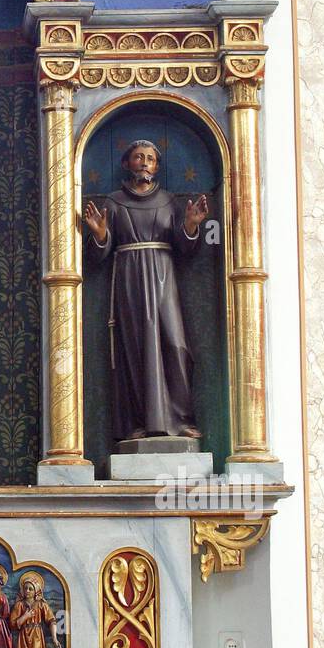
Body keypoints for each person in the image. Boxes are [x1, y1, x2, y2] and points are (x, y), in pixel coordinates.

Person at [84, 139, 208, 442]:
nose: (144, 163)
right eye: (138, 157)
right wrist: (100, 235)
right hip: (129, 277)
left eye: (150, 159)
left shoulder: (169, 201)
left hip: (164, 275)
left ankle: (181, 419)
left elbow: (185, 248)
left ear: (156, 166)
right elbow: (98, 255)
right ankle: (136, 423)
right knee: (135, 349)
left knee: (176, 346)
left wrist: (191, 227)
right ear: (127, 164)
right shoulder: (113, 202)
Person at [10, 572, 61, 648]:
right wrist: (25, 617)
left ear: (36, 591)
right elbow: (12, 624)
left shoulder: (41, 605)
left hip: (36, 635)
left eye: (30, 589)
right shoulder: (19, 605)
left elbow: (51, 620)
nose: (27, 591)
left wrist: (54, 639)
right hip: (23, 636)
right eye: (25, 588)